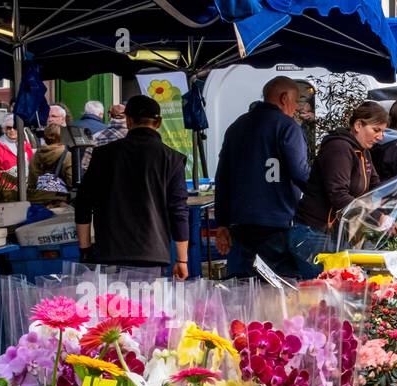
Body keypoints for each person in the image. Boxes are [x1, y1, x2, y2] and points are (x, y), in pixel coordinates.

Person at [74, 95, 189, 278]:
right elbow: (178, 210)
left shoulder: (103, 155)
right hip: (153, 255)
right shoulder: (173, 159)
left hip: (110, 253)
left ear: (128, 121)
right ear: (158, 122)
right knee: (147, 307)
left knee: (110, 307)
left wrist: (85, 250)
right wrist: (182, 260)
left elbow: (83, 204)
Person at [212, 76, 311, 279]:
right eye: (296, 101)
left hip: (239, 223)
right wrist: (322, 198)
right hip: (276, 222)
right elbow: (300, 173)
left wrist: (221, 222)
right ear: (284, 98)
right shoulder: (287, 127)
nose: (296, 107)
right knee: (277, 287)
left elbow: (222, 177)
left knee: (241, 286)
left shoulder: (236, 127)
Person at [294, 101, 388, 276]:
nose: (381, 137)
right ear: (358, 125)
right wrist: (378, 217)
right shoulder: (339, 148)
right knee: (321, 292)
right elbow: (338, 195)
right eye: (376, 130)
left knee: (336, 292)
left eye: (382, 131)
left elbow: (375, 186)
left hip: (334, 233)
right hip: (314, 232)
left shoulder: (363, 151)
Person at [31, 123, 73, 200]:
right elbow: (71, 180)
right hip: (59, 198)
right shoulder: (67, 155)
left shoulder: (37, 153)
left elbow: (32, 177)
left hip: (40, 195)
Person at [0, 115, 32, 180]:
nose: (12, 130)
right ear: (4, 129)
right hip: (5, 186)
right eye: (9, 128)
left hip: (25, 184)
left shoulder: (26, 144)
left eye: (15, 127)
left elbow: (31, 164)